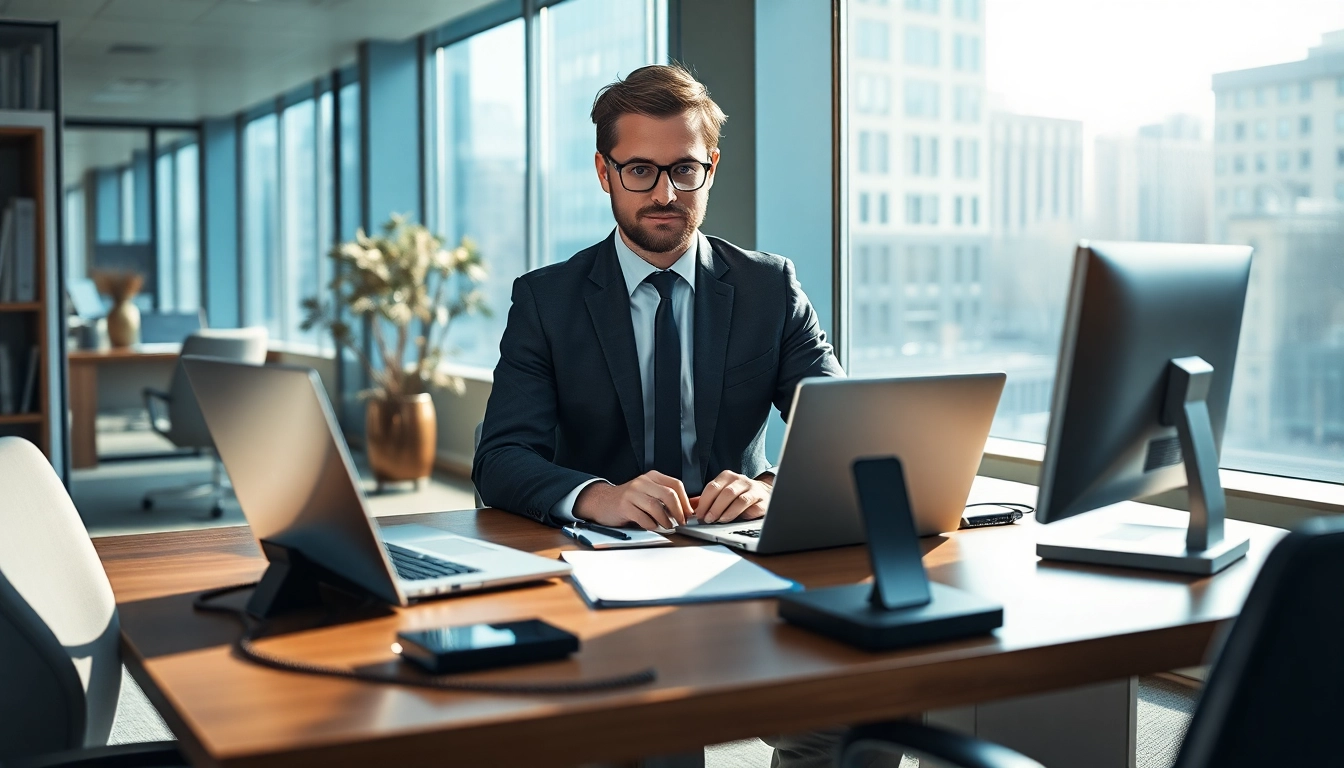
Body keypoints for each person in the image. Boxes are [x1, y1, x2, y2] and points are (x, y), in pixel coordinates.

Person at [473, 64, 894, 768]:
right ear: (605, 172)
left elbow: (839, 431)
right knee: (653, 732)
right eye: (640, 169)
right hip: (606, 570)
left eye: (685, 170)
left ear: (712, 168)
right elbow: (502, 458)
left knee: (870, 701)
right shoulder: (546, 301)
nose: (666, 193)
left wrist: (769, 489)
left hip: (742, 558)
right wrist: (598, 495)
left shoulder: (769, 287)